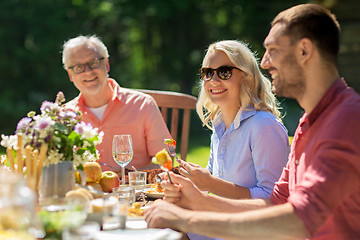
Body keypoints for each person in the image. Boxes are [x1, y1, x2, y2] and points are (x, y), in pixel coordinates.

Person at [144, 3, 360, 239]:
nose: (265, 63)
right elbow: (277, 202)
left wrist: (187, 219)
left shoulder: (347, 119)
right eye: (207, 73)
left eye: (273, 50)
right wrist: (199, 198)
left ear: (304, 51)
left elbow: (301, 220)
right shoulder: (308, 122)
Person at [177, 40, 289, 202]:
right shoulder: (219, 125)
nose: (213, 80)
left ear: (246, 77)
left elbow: (274, 199)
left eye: (224, 72)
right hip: (222, 219)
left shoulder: (264, 126)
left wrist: (211, 184)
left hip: (251, 226)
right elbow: (211, 184)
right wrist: (187, 184)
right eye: (207, 73)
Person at [62, 35, 171, 172]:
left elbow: (166, 162)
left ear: (106, 64)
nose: (88, 72)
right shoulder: (64, 116)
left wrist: (130, 177)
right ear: (70, 75)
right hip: (86, 192)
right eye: (78, 67)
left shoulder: (143, 105)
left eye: (94, 62)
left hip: (137, 192)